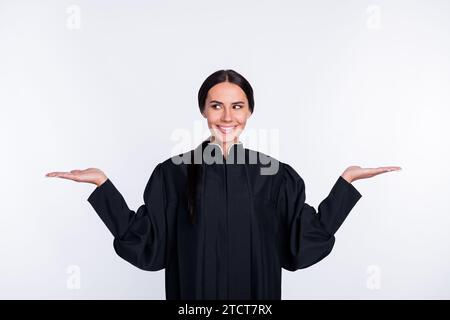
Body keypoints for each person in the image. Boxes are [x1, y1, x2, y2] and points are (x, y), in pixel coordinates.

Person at [46, 69, 401, 300]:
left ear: (249, 112)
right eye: (217, 105)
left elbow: (302, 240)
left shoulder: (276, 175)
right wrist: (102, 186)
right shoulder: (173, 173)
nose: (227, 117)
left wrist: (346, 183)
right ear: (203, 109)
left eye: (237, 106)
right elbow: (149, 243)